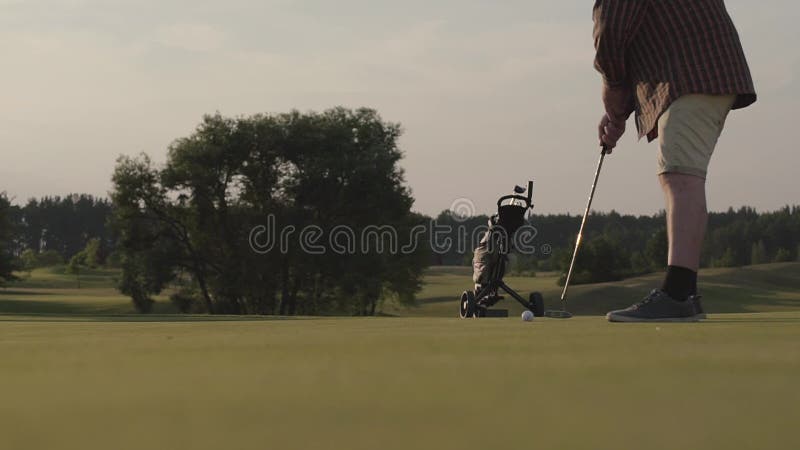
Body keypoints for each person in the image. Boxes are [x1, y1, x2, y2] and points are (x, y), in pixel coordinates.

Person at [592, 0, 756, 322]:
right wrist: (621, 108)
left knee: (679, 175)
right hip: (700, 70)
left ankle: (678, 294)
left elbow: (611, 24)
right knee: (680, 174)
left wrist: (612, 84)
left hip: (694, 73)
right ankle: (683, 295)